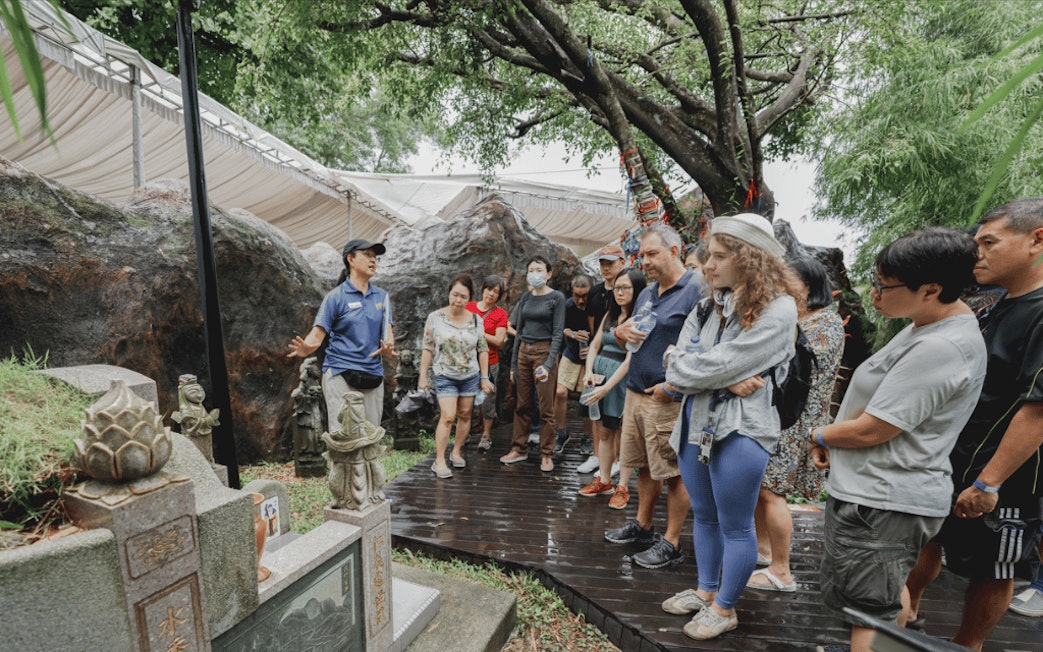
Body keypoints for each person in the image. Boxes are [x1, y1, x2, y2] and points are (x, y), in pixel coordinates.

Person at [808, 227, 987, 652]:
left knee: (870, 610)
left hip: (885, 499)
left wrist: (819, 434)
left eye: (884, 285)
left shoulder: (941, 347)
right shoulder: (925, 325)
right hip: (877, 492)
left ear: (931, 289)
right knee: (881, 599)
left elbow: (876, 427)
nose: (874, 294)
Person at [905, 199, 1043, 650]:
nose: (977, 253)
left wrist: (989, 482)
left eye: (989, 242)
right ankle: (900, 625)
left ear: (1036, 240)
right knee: (925, 541)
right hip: (950, 456)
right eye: (975, 243)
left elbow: (1037, 409)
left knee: (993, 567)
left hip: (1006, 475)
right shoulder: (989, 303)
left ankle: (966, 646)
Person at [658, 213, 801, 641]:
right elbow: (675, 365)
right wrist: (717, 374)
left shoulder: (779, 308)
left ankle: (725, 607)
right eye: (709, 256)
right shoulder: (707, 306)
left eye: (719, 256)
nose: (708, 265)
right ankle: (705, 590)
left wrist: (699, 369)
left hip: (742, 429)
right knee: (703, 515)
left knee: (736, 523)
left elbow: (708, 363)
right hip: (694, 423)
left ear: (750, 258)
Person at [603, 224, 700, 570]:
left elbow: (704, 347)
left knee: (674, 472)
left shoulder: (695, 291)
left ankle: (671, 542)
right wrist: (618, 331)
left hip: (667, 399)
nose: (644, 261)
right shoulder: (647, 293)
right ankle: (644, 527)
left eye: (651, 254)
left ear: (674, 251)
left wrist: (675, 387)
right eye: (642, 255)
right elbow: (633, 334)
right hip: (636, 391)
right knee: (642, 464)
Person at [749, 256, 845, 592]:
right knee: (762, 487)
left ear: (808, 284)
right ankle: (762, 552)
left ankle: (782, 570)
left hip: (798, 420)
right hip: (777, 415)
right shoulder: (797, 319)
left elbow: (789, 359)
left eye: (785, 279)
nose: (778, 285)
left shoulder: (826, 324)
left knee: (772, 490)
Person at [288, 238, 395, 430]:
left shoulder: (382, 297)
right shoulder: (335, 297)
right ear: (351, 259)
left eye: (375, 257)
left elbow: (388, 336)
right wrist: (307, 347)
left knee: (370, 440)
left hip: (373, 375)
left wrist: (388, 348)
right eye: (367, 255)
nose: (373, 260)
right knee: (343, 440)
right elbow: (317, 334)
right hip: (340, 373)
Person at [577, 267, 647, 509]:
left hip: (620, 381)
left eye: (625, 287)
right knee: (604, 432)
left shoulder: (639, 319)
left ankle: (623, 487)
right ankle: (604, 479)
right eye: (617, 287)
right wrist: (588, 371)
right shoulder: (609, 314)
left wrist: (607, 387)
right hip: (598, 377)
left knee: (624, 435)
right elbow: (595, 345)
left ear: (637, 289)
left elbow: (630, 360)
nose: (620, 292)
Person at [418, 275, 495, 479]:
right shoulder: (435, 317)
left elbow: (483, 349)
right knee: (448, 416)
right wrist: (422, 376)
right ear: (449, 293)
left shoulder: (476, 319)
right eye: (455, 295)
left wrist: (484, 377)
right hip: (445, 374)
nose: (458, 300)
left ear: (469, 299)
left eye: (463, 296)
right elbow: (427, 347)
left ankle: (457, 451)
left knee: (465, 414)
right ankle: (439, 460)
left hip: (470, 375)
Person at [501, 256, 566, 472]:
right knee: (522, 404)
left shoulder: (556, 298)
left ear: (548, 274)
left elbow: (558, 333)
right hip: (524, 353)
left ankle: (546, 453)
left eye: (539, 269)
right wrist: (513, 365)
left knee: (546, 406)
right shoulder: (526, 298)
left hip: (544, 351)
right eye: (531, 270)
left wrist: (548, 364)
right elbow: (518, 332)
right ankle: (519, 448)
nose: (534, 273)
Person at [579, 244, 628, 470]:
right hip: (600, 352)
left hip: (621, 354)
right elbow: (593, 325)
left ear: (622, 263)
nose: (606, 267)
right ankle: (598, 454)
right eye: (602, 263)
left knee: (615, 413)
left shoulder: (631, 293)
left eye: (610, 262)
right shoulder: (596, 292)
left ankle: (617, 458)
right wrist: (592, 352)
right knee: (595, 409)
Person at [466, 275, 509, 452]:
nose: (491, 294)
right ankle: (465, 432)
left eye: (496, 292)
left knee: (488, 400)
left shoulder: (500, 314)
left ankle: (486, 435)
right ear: (483, 289)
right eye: (489, 289)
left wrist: (478, 332)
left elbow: (499, 341)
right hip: (467, 361)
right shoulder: (468, 307)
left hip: (490, 362)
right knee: (465, 397)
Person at [554, 275, 593, 455]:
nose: (580, 300)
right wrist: (573, 334)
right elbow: (562, 327)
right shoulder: (569, 305)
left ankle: (587, 437)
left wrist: (592, 348)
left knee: (587, 398)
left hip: (590, 356)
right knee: (560, 392)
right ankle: (561, 432)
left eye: (584, 295)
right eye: (577, 295)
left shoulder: (595, 305)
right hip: (571, 352)